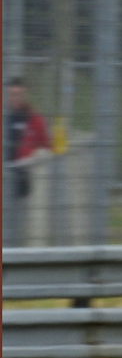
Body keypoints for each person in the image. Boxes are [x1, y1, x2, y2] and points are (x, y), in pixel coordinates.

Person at [6, 79, 51, 240]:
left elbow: (47, 147)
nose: (15, 98)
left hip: (24, 179)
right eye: (11, 94)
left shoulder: (35, 119)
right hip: (5, 179)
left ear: (25, 95)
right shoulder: (5, 118)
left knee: (22, 228)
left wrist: (35, 157)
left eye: (18, 94)